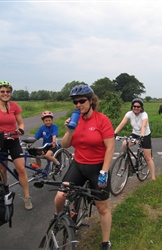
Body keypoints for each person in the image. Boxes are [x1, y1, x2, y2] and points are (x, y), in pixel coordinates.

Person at [54, 84, 114, 250]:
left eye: (81, 101)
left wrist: (104, 171)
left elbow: (110, 147)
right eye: (75, 102)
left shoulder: (102, 120)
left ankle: (106, 242)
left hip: (97, 167)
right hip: (79, 165)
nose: (78, 105)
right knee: (60, 196)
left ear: (91, 101)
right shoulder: (74, 120)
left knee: (102, 207)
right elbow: (65, 145)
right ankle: (59, 219)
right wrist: (69, 131)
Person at [0, 81, 33, 210]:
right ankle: (4, 192)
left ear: (10, 93)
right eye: (2, 91)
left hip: (13, 140)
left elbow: (20, 123)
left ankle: (27, 197)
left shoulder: (14, 106)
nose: (5, 94)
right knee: (2, 170)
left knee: (21, 169)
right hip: (0, 141)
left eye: (8, 91)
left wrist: (21, 129)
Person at [114, 98, 156, 181]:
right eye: (134, 106)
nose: (136, 108)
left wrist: (141, 136)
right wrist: (114, 133)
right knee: (124, 144)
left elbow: (143, 125)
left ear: (141, 108)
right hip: (135, 133)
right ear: (132, 107)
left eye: (138, 106)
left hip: (145, 135)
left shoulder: (144, 114)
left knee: (148, 157)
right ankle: (128, 165)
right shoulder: (129, 114)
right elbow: (122, 123)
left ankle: (153, 177)